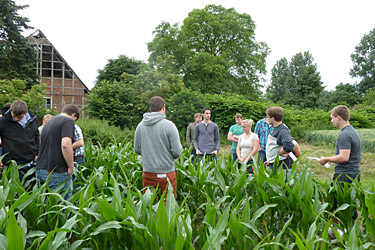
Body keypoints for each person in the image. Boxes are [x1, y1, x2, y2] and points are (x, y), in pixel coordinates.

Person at [318, 105, 361, 239]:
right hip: (353, 173)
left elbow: (344, 157)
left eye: (332, 118)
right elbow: (346, 156)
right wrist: (333, 160)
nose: (331, 121)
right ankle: (339, 232)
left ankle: (342, 234)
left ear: (338, 117)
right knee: (342, 203)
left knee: (340, 204)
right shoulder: (352, 131)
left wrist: (326, 159)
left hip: (345, 175)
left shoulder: (345, 135)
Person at [134, 96, 183, 199]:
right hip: (167, 174)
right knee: (168, 207)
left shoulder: (140, 126)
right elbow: (177, 152)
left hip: (148, 173)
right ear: (164, 107)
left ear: (150, 108)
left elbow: (137, 149)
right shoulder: (170, 126)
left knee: (149, 206)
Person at [36, 104, 79, 200]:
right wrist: (71, 166)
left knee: (45, 208)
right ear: (73, 115)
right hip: (56, 171)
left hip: (40, 169)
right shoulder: (68, 121)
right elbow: (65, 145)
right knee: (61, 209)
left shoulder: (50, 122)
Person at [0, 100, 39, 182]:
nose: (16, 119)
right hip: (13, 163)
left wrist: (37, 153)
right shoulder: (3, 121)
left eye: (19, 117)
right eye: (14, 116)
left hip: (31, 162)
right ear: (11, 111)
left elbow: (36, 136)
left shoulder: (33, 120)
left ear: (26, 112)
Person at [264, 107, 294, 171]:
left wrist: (280, 153)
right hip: (274, 163)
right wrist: (270, 160)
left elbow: (288, 146)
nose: (266, 119)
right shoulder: (276, 128)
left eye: (268, 117)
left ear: (272, 118)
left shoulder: (282, 130)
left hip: (280, 165)